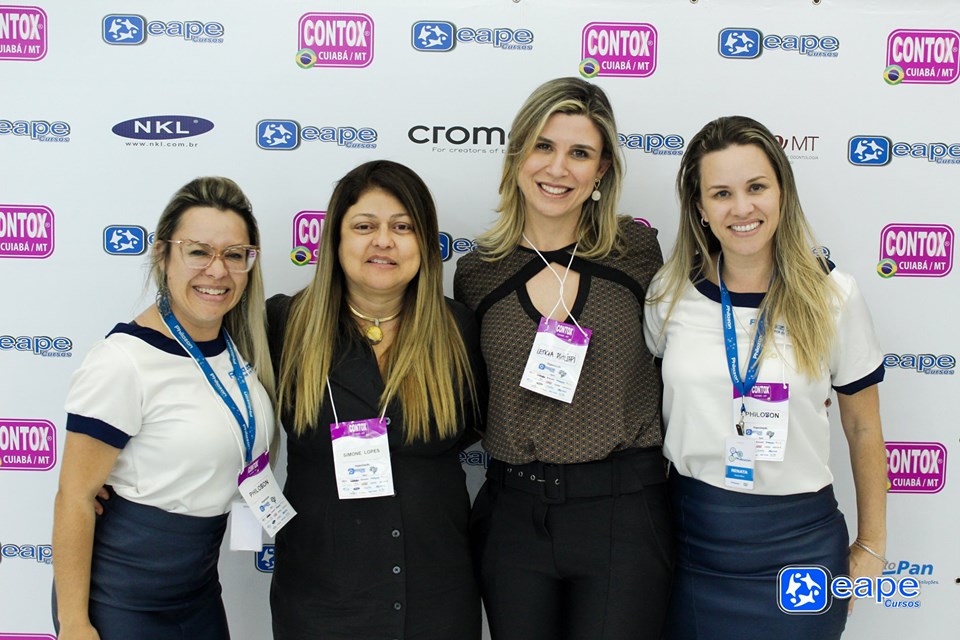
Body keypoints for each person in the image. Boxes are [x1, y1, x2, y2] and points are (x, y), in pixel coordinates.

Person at [644, 115, 887, 639]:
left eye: (756, 187)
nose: (742, 208)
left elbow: (863, 427)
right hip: (691, 543)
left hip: (800, 547)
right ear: (700, 208)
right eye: (721, 193)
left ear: (782, 192)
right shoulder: (668, 293)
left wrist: (872, 545)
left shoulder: (834, 296)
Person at [454, 77, 672, 640]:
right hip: (513, 514)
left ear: (601, 171)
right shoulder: (477, 272)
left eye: (580, 153)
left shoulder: (636, 252)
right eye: (544, 146)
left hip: (623, 511)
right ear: (517, 154)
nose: (558, 168)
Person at [268, 160, 484, 640]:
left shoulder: (459, 330)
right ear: (335, 239)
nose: (383, 241)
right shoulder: (283, 325)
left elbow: (483, 424)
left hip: (436, 602)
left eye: (402, 227)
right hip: (321, 604)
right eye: (365, 226)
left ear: (425, 244)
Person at [53, 177, 277, 640]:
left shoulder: (235, 349)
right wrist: (75, 624)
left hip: (198, 594)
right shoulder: (123, 360)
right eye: (198, 251)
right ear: (162, 255)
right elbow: (75, 497)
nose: (218, 270)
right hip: (120, 599)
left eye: (235, 255)